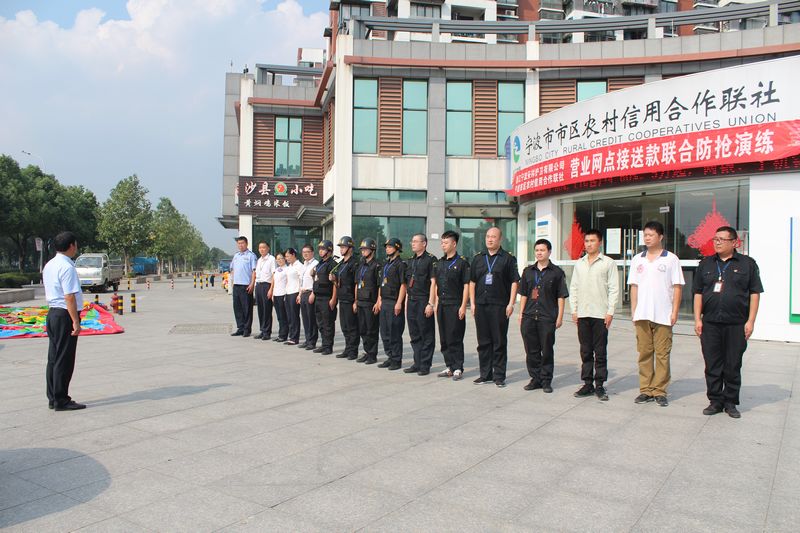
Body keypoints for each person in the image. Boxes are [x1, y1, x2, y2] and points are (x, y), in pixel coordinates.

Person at [693, 226, 763, 419]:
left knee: (732, 364)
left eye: (722, 239)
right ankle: (715, 400)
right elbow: (698, 293)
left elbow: (755, 293)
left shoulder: (747, 264)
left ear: (734, 242)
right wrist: (697, 319)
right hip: (710, 324)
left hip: (736, 323)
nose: (717, 242)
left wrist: (751, 321)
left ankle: (730, 402)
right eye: (715, 239)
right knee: (712, 364)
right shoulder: (706, 264)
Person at [628, 221, 685, 407]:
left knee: (662, 354)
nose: (647, 238)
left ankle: (659, 390)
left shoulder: (671, 259)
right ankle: (645, 389)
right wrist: (634, 311)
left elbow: (677, 287)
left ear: (660, 237)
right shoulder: (638, 259)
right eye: (645, 235)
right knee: (644, 353)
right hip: (642, 314)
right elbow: (634, 286)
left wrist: (674, 311)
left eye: (651, 235)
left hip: (663, 314)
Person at [569, 229, 619, 401]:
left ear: (600, 243)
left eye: (592, 241)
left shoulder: (608, 263)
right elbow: (574, 287)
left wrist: (610, 311)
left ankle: (599, 385)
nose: (589, 244)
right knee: (585, 351)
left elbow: (614, 289)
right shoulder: (579, 263)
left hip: (600, 314)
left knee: (600, 351)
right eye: (587, 241)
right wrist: (574, 310)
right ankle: (587, 383)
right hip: (583, 313)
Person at [469, 227, 520, 388]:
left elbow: (514, 282)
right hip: (481, 305)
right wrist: (473, 303)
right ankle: (485, 374)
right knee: (483, 341)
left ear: (500, 239)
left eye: (493, 237)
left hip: (499, 305)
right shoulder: (478, 258)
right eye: (488, 236)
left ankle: (499, 376)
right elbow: (472, 282)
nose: (490, 239)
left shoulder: (508, 259)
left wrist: (511, 303)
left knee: (499, 341)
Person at [43, 231, 85, 411]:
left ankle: (53, 397)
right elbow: (69, 296)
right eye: (75, 244)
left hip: (53, 313)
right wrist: (75, 321)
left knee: (54, 358)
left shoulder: (50, 264)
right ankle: (61, 399)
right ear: (71, 246)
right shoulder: (67, 267)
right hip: (64, 315)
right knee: (64, 359)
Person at [519, 238, 568, 393]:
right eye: (537, 250)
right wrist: (521, 314)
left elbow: (561, 296)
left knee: (546, 350)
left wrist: (560, 317)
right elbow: (524, 294)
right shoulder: (528, 271)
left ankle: (546, 380)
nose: (539, 253)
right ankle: (535, 378)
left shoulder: (557, 272)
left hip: (547, 317)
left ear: (549, 252)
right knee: (531, 350)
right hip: (529, 316)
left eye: (542, 250)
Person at [434, 230, 470, 381]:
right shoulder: (440, 263)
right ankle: (449, 366)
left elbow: (466, 285)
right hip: (442, 304)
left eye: (446, 242)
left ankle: (458, 367)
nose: (443, 245)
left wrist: (463, 306)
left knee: (455, 336)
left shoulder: (462, 263)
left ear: (454, 244)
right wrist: (435, 304)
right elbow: (436, 285)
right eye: (442, 242)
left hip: (455, 304)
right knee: (444, 337)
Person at [403, 233, 438, 376]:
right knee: (414, 334)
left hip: (423, 300)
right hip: (411, 300)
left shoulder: (430, 259)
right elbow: (408, 284)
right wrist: (406, 301)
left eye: (416, 241)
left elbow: (434, 283)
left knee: (426, 334)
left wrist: (431, 303)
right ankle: (417, 363)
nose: (413, 243)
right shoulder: (411, 260)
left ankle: (425, 364)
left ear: (424, 244)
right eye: (412, 241)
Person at [378, 238, 407, 371]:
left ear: (397, 248)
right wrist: (379, 299)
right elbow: (381, 284)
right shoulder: (386, 264)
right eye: (386, 247)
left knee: (394, 332)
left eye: (390, 247)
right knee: (384, 332)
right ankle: (390, 356)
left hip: (394, 302)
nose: (387, 249)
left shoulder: (400, 265)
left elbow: (403, 285)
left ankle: (396, 359)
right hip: (384, 301)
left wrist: (399, 302)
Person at [355, 238, 381, 365]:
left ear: (372, 250)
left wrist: (378, 302)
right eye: (362, 249)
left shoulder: (377, 266)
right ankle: (366, 351)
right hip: (360, 301)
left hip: (371, 302)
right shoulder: (361, 265)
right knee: (362, 329)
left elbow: (380, 286)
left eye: (365, 249)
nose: (363, 251)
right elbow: (357, 284)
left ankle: (372, 354)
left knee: (371, 330)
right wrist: (355, 301)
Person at [334, 236, 360, 360]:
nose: (341, 249)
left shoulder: (354, 263)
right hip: (342, 298)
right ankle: (347, 348)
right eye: (340, 247)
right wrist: (334, 280)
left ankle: (353, 351)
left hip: (350, 298)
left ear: (350, 248)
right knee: (344, 326)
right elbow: (339, 282)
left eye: (343, 247)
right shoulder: (341, 263)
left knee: (352, 326)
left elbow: (356, 284)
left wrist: (356, 300)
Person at [310, 240, 338, 355]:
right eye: (320, 249)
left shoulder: (333, 264)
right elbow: (316, 279)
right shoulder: (320, 263)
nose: (320, 251)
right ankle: (324, 344)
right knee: (320, 323)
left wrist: (333, 299)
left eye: (323, 249)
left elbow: (335, 283)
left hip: (327, 297)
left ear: (329, 251)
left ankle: (328, 346)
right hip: (318, 297)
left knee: (328, 324)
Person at [230, 236, 257, 337]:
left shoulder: (251, 256)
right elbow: (232, 269)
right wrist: (232, 282)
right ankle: (240, 328)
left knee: (247, 308)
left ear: (246, 244)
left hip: (246, 286)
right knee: (237, 308)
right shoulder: (236, 256)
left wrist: (252, 284)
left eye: (242, 243)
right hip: (236, 285)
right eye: (239, 243)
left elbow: (254, 271)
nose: (240, 245)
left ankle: (247, 329)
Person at [254, 241, 276, 340]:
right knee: (260, 309)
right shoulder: (259, 260)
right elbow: (257, 275)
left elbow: (274, 274)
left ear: (268, 248)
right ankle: (262, 330)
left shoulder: (271, 259)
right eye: (260, 248)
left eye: (264, 247)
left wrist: (271, 289)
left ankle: (267, 332)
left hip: (267, 285)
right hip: (259, 286)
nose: (262, 249)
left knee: (267, 309)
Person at [298, 244, 319, 350]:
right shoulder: (304, 265)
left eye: (307, 252)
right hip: (303, 293)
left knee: (312, 319)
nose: (305, 254)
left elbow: (316, 281)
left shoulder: (316, 264)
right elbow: (301, 281)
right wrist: (299, 295)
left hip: (311, 293)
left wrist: (313, 294)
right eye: (303, 252)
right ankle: (307, 339)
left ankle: (312, 341)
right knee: (305, 318)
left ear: (312, 253)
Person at [283, 248, 303, 345]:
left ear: (293, 255)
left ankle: (295, 337)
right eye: (285, 257)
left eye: (288, 256)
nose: (286, 258)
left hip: (295, 292)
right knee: (289, 316)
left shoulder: (299, 266)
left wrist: (299, 294)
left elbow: (301, 281)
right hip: (288, 293)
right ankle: (291, 336)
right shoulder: (289, 266)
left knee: (294, 316)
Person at [268, 252, 289, 343]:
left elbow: (288, 282)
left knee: (283, 316)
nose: (279, 260)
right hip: (276, 295)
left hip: (283, 294)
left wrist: (286, 295)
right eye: (278, 259)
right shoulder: (276, 270)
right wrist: (272, 293)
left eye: (281, 258)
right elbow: (274, 282)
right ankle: (281, 334)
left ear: (285, 259)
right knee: (279, 316)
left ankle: (284, 335)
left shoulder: (287, 269)